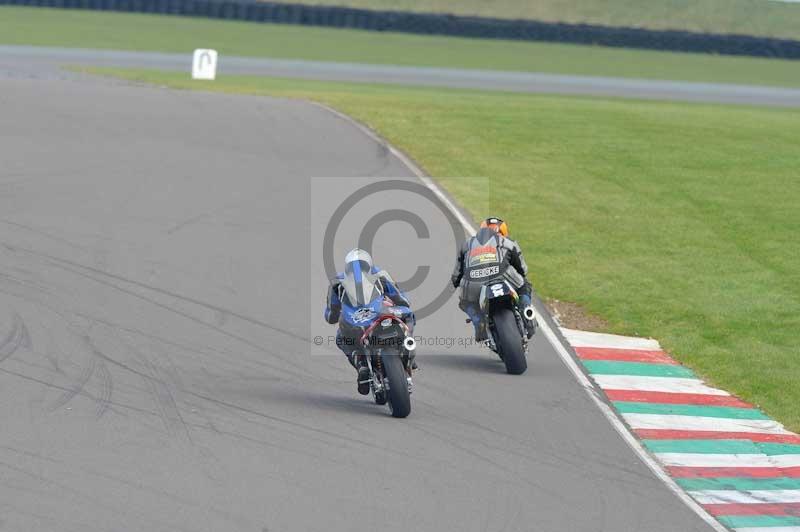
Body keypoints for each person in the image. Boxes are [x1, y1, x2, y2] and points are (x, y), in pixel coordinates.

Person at [324, 248, 415, 395]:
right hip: (380, 315)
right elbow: (401, 298)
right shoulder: (380, 274)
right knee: (408, 315)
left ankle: (361, 365)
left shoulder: (336, 282)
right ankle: (408, 345)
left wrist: (336, 313)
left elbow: (330, 315)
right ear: (369, 265)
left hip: (355, 323)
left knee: (341, 338)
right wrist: (399, 305)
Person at [451, 217, 535, 341]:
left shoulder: (467, 245)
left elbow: (456, 277)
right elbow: (523, 269)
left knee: (465, 301)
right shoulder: (508, 242)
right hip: (504, 277)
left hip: (474, 283)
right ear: (504, 232)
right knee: (524, 285)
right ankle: (526, 310)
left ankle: (478, 322)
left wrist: (458, 283)